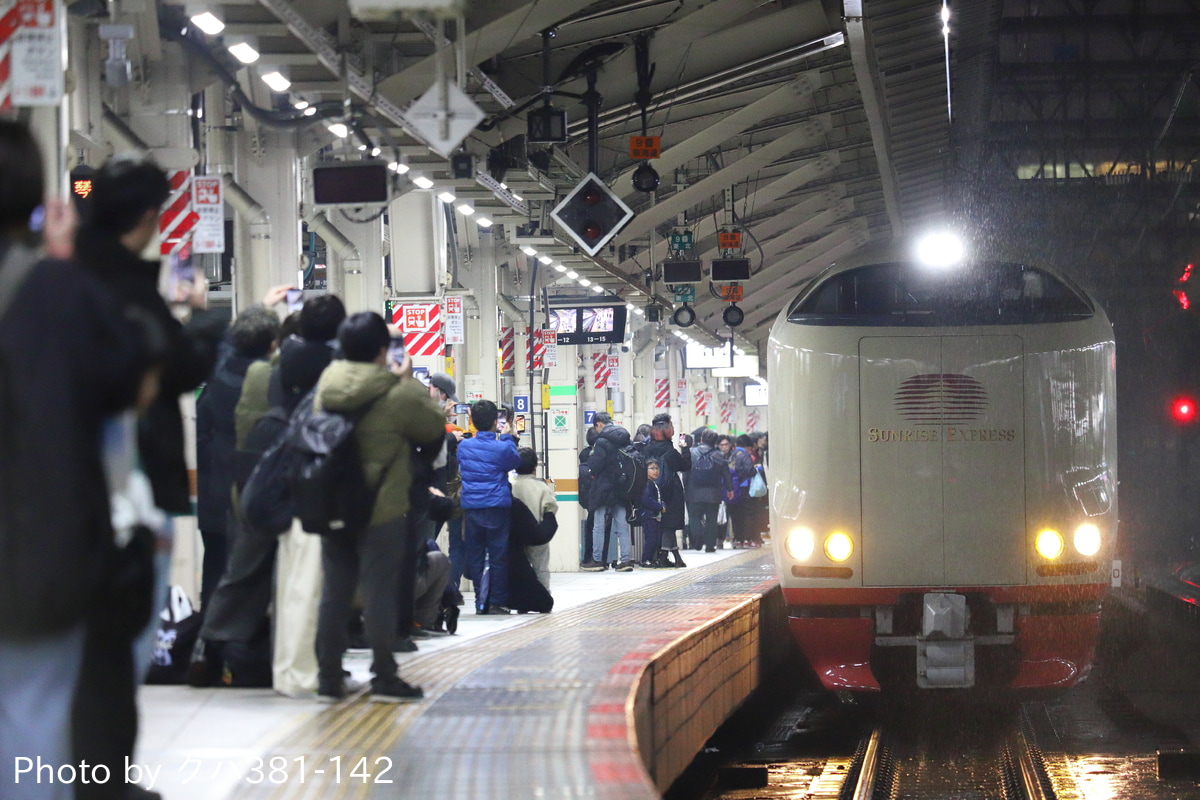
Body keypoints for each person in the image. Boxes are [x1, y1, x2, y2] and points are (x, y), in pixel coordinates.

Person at [0, 120, 149, 800]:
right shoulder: (55, 293)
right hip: (37, 548)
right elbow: (130, 374)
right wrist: (66, 263)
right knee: (32, 718)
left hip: (39, 548)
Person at [73, 153, 226, 799]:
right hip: (130, 482)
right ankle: (105, 778)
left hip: (66, 488)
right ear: (146, 217)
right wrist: (203, 316)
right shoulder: (126, 288)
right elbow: (180, 366)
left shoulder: (60, 275)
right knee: (122, 646)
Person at [312, 311, 445, 703]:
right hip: (381, 506)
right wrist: (405, 383)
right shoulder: (397, 392)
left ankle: (328, 676)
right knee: (379, 593)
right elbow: (433, 428)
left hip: (333, 503)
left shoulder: (326, 384)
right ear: (383, 350)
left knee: (334, 593)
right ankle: (384, 674)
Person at [195, 306, 280, 610]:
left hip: (215, 495)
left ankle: (209, 648)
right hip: (259, 498)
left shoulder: (215, 383)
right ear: (273, 344)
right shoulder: (275, 384)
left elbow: (202, 436)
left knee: (215, 574)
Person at [457, 399, 521, 614]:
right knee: (498, 555)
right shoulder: (502, 447)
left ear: (472, 421)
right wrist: (508, 437)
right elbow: (514, 461)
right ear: (496, 421)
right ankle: (496, 601)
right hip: (496, 506)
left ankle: (480, 601)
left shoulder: (464, 447)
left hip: (471, 507)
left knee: (475, 555)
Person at [582, 412, 635, 572]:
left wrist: (591, 462)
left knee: (598, 524)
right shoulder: (624, 438)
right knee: (622, 524)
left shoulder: (602, 441)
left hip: (603, 489)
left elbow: (596, 465)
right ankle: (626, 560)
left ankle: (597, 560)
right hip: (621, 487)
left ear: (598, 424)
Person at [642, 414, 689, 568]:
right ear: (667, 430)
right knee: (669, 525)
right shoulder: (671, 452)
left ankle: (664, 556)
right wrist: (686, 448)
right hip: (671, 491)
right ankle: (665, 556)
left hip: (651, 490)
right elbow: (686, 466)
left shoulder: (646, 449)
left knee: (658, 526)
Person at [510, 447, 557, 590]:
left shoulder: (511, 487)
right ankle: (544, 597)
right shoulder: (541, 487)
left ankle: (523, 600)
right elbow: (551, 508)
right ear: (535, 468)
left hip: (516, 536)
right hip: (538, 534)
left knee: (518, 568)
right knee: (541, 567)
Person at [685, 429, 733, 552]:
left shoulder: (691, 452)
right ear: (715, 442)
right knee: (712, 519)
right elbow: (726, 474)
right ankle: (710, 545)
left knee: (694, 517)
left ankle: (698, 540)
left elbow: (686, 472)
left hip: (694, 492)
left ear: (701, 439)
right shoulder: (719, 455)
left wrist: (686, 487)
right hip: (713, 493)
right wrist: (729, 489)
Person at [727, 434, 759, 547]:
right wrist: (756, 469)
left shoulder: (732, 455)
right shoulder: (745, 455)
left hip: (733, 489)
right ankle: (746, 539)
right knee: (747, 514)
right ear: (747, 447)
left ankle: (738, 539)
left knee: (736, 516)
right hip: (744, 489)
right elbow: (750, 470)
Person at [637, 459, 667, 568]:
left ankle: (651, 559)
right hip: (648, 515)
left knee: (656, 539)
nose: (655, 471)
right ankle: (645, 560)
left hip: (655, 516)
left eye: (657, 468)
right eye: (652, 468)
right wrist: (659, 507)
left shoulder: (653, 483)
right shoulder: (646, 484)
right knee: (651, 539)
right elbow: (646, 499)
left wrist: (662, 505)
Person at [577, 427, 599, 566]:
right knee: (600, 526)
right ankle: (600, 557)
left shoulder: (583, 454)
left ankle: (587, 556)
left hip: (587, 496)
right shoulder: (600, 454)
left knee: (590, 526)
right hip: (600, 494)